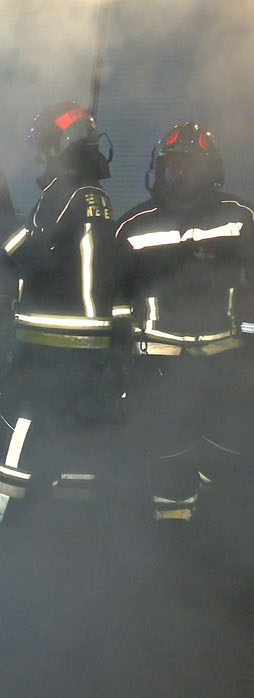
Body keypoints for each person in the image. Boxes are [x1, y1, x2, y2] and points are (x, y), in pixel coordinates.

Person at [0, 101, 123, 519]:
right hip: (88, 344)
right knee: (76, 428)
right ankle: (69, 523)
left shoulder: (64, 195)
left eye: (44, 147)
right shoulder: (94, 195)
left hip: (51, 342)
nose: (40, 157)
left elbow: (32, 257)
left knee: (22, 422)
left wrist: (0, 212)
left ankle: (0, 514)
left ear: (61, 144)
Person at [114, 123, 254, 521]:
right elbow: (114, 298)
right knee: (167, 451)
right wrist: (119, 355)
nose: (180, 177)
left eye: (191, 167)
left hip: (226, 364)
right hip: (158, 365)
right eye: (172, 167)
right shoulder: (132, 226)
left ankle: (222, 531)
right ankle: (173, 539)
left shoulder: (242, 218)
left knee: (229, 449)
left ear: (213, 172)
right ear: (157, 171)